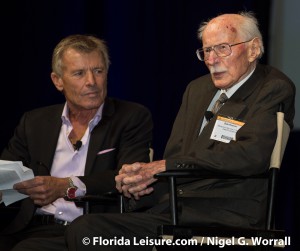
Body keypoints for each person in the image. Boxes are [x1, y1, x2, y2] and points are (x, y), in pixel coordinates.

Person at [12, 11, 296, 251]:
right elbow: (176, 155)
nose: (212, 59)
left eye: (223, 48)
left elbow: (251, 154)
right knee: (80, 230)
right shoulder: (197, 90)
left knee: (86, 231)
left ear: (254, 49)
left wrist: (162, 167)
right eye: (207, 50)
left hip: (227, 212)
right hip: (175, 207)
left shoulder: (270, 87)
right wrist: (138, 179)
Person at [0, 34, 153, 250]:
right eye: (79, 73)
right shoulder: (34, 122)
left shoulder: (131, 117)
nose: (91, 82)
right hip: (32, 227)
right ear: (58, 81)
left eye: (98, 71)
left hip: (92, 232)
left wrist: (66, 186)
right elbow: (5, 178)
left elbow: (129, 176)